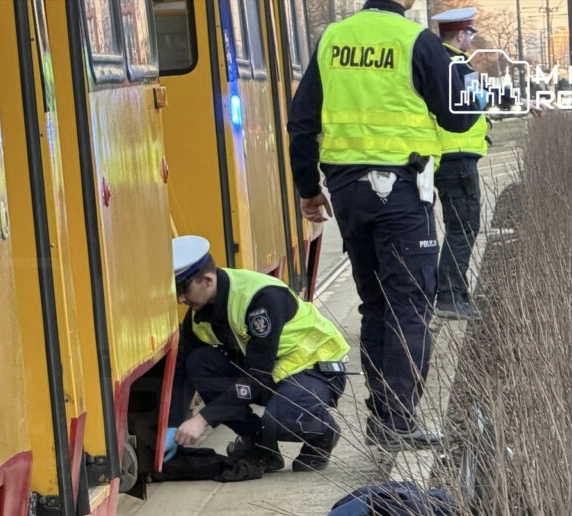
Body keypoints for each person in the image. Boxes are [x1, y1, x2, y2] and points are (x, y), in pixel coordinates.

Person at [287, 0, 478, 449]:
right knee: (409, 307)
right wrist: (467, 83)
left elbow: (301, 122)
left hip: (347, 191)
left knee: (374, 304)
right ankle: (396, 420)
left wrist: (308, 189)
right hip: (400, 190)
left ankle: (382, 416)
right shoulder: (416, 41)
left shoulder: (333, 39)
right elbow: (459, 117)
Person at [168, 236, 350, 473]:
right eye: (176, 290)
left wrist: (202, 419)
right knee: (199, 363)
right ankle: (263, 448)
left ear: (207, 279)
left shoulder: (261, 298)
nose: (180, 298)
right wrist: (171, 428)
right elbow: (183, 373)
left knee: (281, 419)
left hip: (314, 369)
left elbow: (256, 378)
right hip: (271, 375)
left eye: (183, 289)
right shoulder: (199, 316)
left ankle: (324, 434)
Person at [430, 8, 487, 321]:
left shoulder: (438, 62)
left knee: (457, 226)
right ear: (461, 34)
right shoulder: (459, 66)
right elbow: (479, 101)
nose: (470, 39)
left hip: (444, 155)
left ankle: (450, 294)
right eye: (470, 33)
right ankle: (451, 297)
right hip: (458, 155)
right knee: (463, 226)